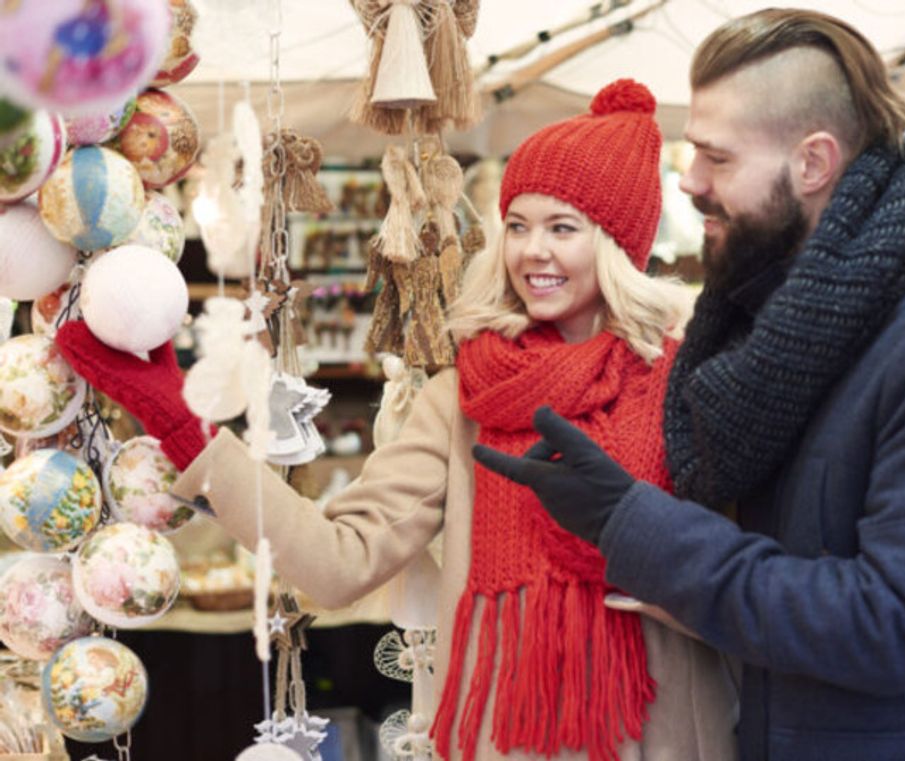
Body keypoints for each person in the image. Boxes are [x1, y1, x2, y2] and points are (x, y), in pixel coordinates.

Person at [54, 79, 739, 761]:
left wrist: (676, 589)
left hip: (659, 731)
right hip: (506, 740)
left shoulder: (689, 387)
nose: (533, 252)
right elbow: (338, 560)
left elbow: (756, 572)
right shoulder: (461, 399)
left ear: (618, 243)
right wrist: (186, 427)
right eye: (519, 226)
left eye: (563, 228)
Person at [474, 9, 905, 761]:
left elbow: (890, 624)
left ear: (812, 163)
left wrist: (635, 525)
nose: (688, 182)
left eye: (715, 158)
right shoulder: (794, 330)